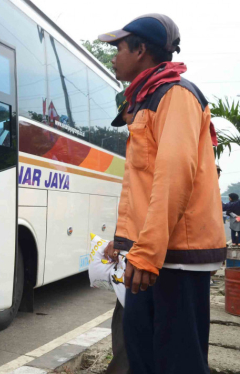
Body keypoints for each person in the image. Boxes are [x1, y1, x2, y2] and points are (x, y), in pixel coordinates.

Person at [99, 14, 226, 373]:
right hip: (154, 257)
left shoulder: (175, 95)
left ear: (141, 50)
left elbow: (173, 178)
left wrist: (147, 254)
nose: (113, 55)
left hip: (174, 260)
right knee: (143, 358)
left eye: (119, 47)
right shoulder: (146, 98)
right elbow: (144, 183)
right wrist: (124, 242)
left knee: (177, 363)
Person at [102, 90, 132, 374]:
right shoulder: (137, 143)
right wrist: (119, 240)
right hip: (136, 252)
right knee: (123, 320)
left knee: (130, 325)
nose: (129, 124)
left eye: (129, 116)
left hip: (149, 257)